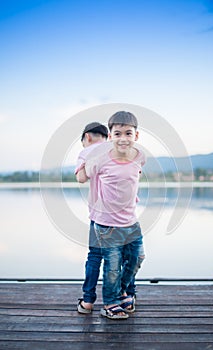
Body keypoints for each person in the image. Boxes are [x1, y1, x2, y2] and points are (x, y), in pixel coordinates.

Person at [84, 111, 145, 319]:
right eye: (117, 133)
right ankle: (110, 304)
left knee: (137, 258)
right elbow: (86, 177)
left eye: (128, 133)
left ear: (136, 136)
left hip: (131, 221)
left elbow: (132, 179)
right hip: (106, 222)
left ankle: (121, 291)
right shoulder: (100, 160)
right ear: (110, 136)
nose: (123, 138)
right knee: (112, 266)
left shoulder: (140, 157)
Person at [75, 122, 136, 314]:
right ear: (108, 136)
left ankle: (88, 302)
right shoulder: (118, 149)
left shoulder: (87, 152)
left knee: (95, 256)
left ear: (88, 137)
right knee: (126, 256)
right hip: (126, 215)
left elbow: (81, 178)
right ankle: (127, 297)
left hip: (100, 216)